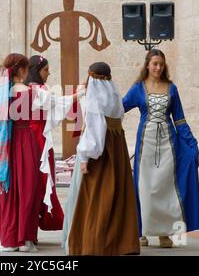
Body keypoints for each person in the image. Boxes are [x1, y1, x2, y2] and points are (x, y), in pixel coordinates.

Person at [122, 49, 199, 248]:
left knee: (165, 189)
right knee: (145, 188)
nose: (158, 67)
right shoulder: (138, 88)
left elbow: (180, 119)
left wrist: (191, 143)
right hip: (145, 144)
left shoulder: (171, 88)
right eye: (155, 63)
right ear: (147, 65)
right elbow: (118, 108)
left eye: (161, 64)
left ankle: (164, 233)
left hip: (168, 144)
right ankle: (142, 231)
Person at [63, 62, 140, 256]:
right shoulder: (114, 99)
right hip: (118, 152)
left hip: (102, 155)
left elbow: (95, 133)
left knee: (97, 197)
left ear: (92, 78)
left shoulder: (95, 100)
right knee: (117, 196)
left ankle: (93, 244)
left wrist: (84, 158)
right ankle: (122, 243)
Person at [0, 53, 44, 252]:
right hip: (25, 141)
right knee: (28, 188)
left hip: (3, 147)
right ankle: (24, 239)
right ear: (23, 69)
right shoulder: (31, 91)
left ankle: (9, 237)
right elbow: (52, 107)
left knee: (6, 189)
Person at [24, 55, 79, 231]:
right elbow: (57, 103)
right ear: (36, 71)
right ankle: (41, 220)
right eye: (46, 70)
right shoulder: (37, 89)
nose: (49, 73)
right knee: (40, 179)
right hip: (37, 139)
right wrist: (79, 94)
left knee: (38, 180)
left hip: (35, 138)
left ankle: (35, 221)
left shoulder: (28, 88)